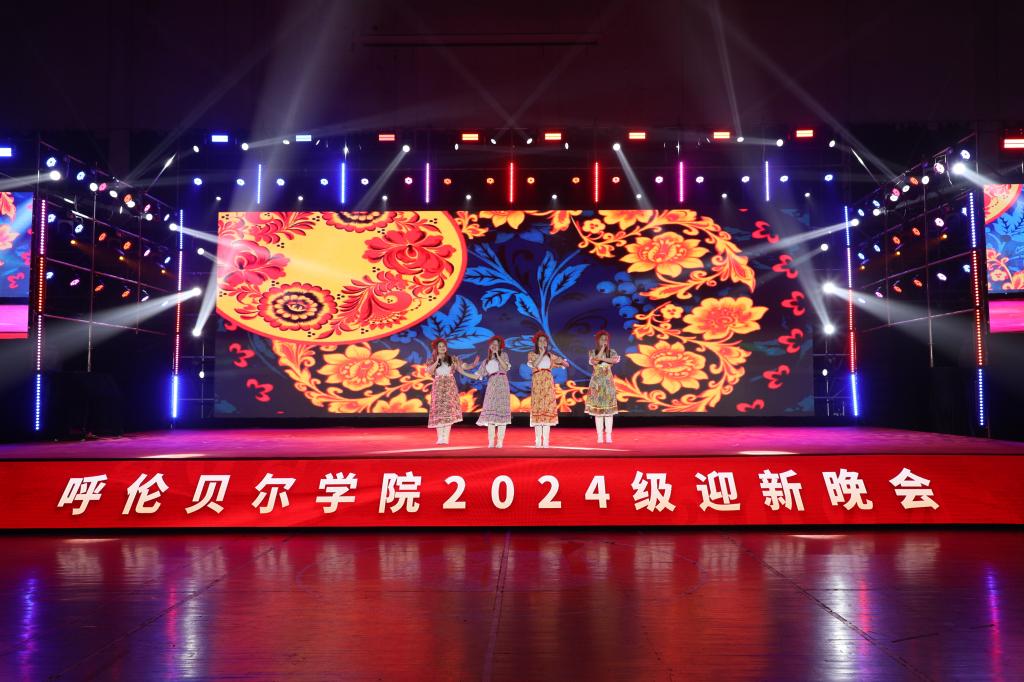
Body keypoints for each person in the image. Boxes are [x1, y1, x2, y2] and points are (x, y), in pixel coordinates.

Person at [527, 331, 568, 448]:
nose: (542, 342)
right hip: (537, 382)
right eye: (540, 341)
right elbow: (535, 364)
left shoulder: (550, 356)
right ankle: (537, 440)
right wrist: (541, 353)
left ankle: (546, 440)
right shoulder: (532, 354)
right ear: (536, 343)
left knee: (547, 410)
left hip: (548, 383)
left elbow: (566, 365)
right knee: (538, 410)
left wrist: (561, 361)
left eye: (544, 341)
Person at [426, 338, 468, 444]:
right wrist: (437, 361)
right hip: (438, 386)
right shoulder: (432, 360)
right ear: (436, 348)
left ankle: (446, 437)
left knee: (448, 410)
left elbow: (462, 367)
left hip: (450, 386)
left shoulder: (452, 359)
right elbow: (429, 372)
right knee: (439, 411)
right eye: (439, 346)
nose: (442, 348)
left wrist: (472, 365)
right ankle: (440, 437)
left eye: (443, 346)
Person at [474, 335, 512, 448]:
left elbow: (505, 367)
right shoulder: (486, 361)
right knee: (490, 412)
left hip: (502, 383)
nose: (494, 346)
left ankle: (500, 441)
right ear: (489, 346)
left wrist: (497, 355)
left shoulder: (504, 355)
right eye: (493, 344)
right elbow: (477, 375)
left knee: (502, 411)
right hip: (491, 384)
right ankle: (491, 440)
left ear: (500, 347)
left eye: (497, 344)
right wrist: (462, 371)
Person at [585, 330, 621, 443]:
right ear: (598, 341)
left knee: (609, 411)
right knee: (598, 412)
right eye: (602, 339)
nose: (604, 341)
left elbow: (614, 360)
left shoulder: (612, 351)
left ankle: (608, 435)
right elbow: (595, 361)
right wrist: (601, 352)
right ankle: (600, 435)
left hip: (608, 383)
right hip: (597, 383)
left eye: (606, 339)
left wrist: (602, 359)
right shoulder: (592, 352)